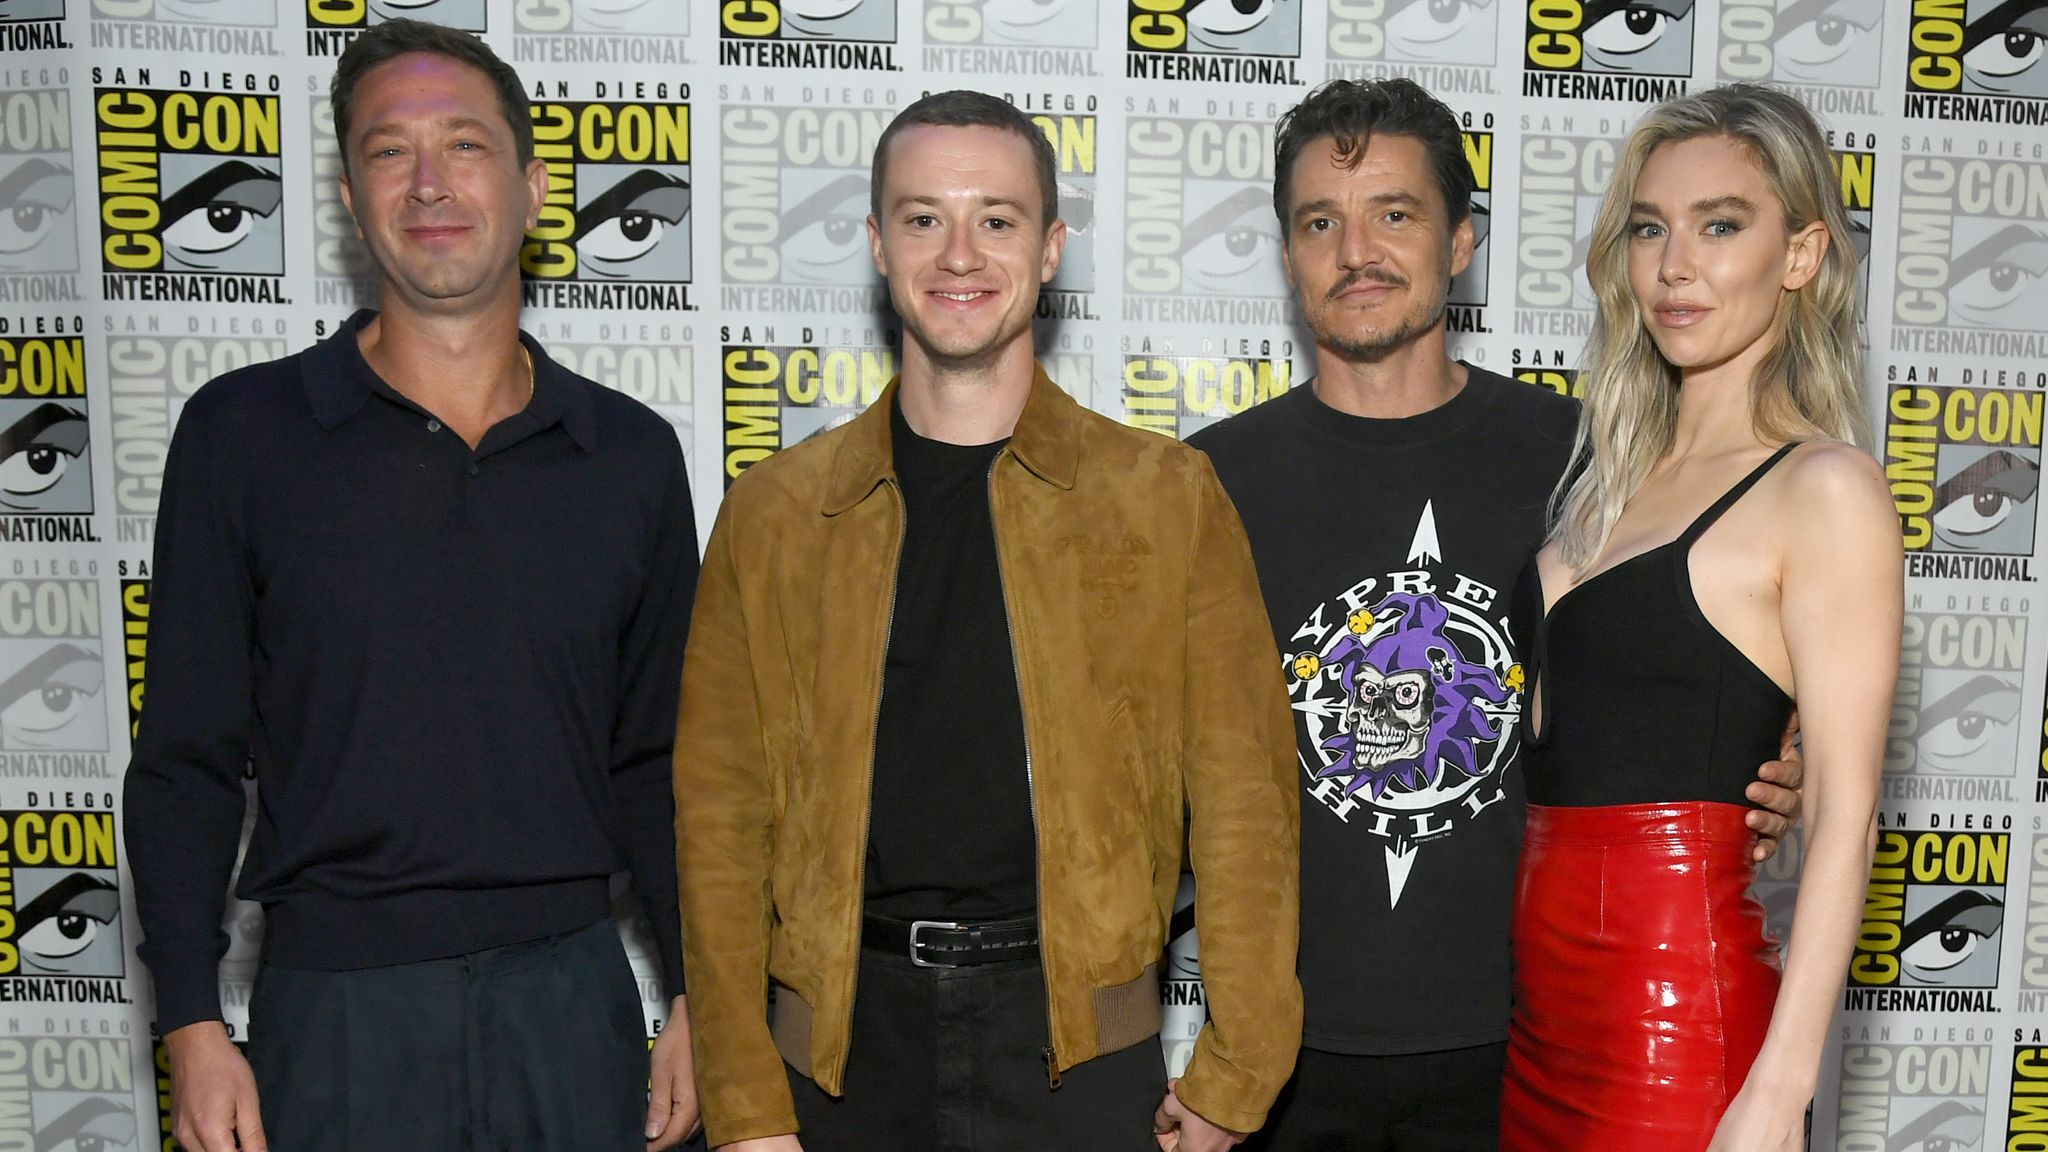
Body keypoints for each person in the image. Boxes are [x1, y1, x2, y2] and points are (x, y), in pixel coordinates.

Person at [672, 90, 1302, 1152]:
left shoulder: (1165, 496)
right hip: (835, 1061)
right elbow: (719, 827)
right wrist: (740, 1102)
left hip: (1082, 1065)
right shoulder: (776, 513)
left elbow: (1244, 805)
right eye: (922, 218)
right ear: (876, 243)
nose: (957, 252)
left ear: (1051, 248)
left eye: (996, 219)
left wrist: (1235, 1076)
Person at [1185, 78, 1805, 1151]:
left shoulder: (1594, 458)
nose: (1355, 250)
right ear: (1285, 254)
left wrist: (1760, 757)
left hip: (1534, 1043)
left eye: (1396, 214)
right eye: (1318, 222)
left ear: (1460, 241)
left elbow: (1708, 650)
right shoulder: (1205, 480)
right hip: (1278, 1058)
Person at [123, 20, 699, 1152]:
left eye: (465, 146)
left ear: (533, 190)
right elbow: (186, 757)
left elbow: (660, 764)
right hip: (334, 1011)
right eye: (391, 152)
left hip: (572, 1003)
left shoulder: (627, 454)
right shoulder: (242, 436)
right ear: (349, 193)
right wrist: (190, 1019)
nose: (430, 183)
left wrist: (692, 991)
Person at [1500, 83, 1899, 1150]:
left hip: (1674, 1029)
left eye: (1719, 225)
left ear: (1801, 254)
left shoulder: (1822, 488)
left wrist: (1776, 1092)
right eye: (1648, 228)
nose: (1673, 264)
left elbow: (1847, 816)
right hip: (1539, 1027)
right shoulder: (1600, 479)